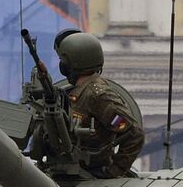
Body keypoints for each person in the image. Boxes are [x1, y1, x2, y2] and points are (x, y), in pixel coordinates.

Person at [56, 32, 145, 178]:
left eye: (63, 60)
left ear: (74, 63)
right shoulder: (79, 93)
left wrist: (113, 172)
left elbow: (134, 134)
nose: (62, 65)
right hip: (72, 171)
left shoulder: (98, 96)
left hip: (92, 173)